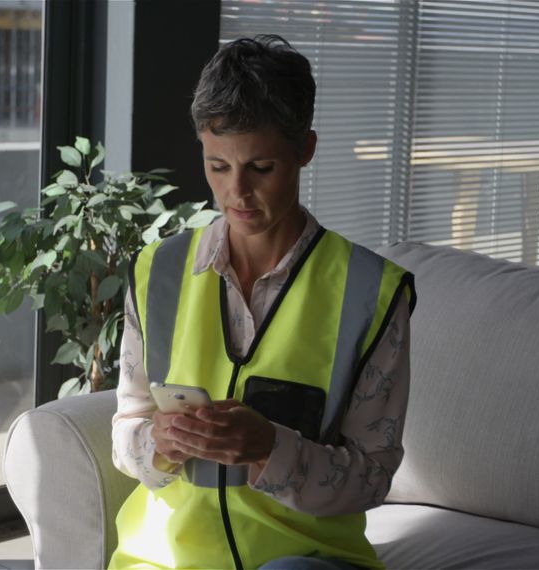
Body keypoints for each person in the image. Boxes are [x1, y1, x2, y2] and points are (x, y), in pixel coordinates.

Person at [109, 35, 416, 570]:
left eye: (262, 168)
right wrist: (156, 442)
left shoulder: (375, 294)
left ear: (305, 150)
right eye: (217, 166)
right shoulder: (155, 271)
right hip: (161, 559)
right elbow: (125, 429)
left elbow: (372, 476)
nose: (236, 194)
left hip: (306, 559)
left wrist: (268, 447)